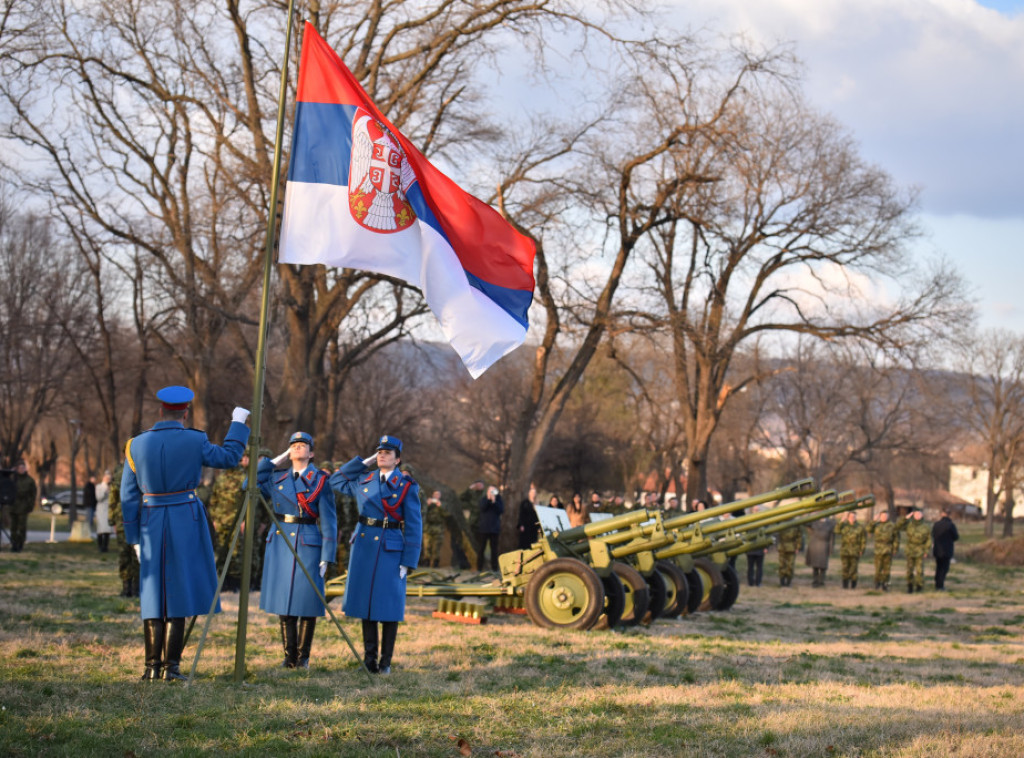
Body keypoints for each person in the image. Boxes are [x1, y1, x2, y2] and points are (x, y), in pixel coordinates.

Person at [120, 385, 250, 681]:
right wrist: (238, 423)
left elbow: (128, 496)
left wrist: (133, 539)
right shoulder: (195, 439)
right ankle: (171, 668)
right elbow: (230, 458)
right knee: (177, 591)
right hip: (185, 518)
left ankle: (151, 668)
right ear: (185, 413)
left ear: (160, 411)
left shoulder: (135, 445)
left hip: (151, 520)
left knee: (154, 593)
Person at [330, 435, 422, 674]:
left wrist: (408, 560)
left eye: (387, 453)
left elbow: (414, 525)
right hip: (365, 546)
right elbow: (335, 480)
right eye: (379, 452)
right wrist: (365, 461)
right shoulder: (365, 479)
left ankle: (386, 662)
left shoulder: (406, 487)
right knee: (367, 605)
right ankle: (369, 660)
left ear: (398, 459)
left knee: (389, 607)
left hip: (391, 546)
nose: (382, 455)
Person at [256, 432, 338, 670]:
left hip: (308, 541)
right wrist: (273, 461)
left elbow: (330, 521)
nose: (297, 448)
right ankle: (288, 656)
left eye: (303, 445)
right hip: (281, 540)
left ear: (311, 453)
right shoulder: (277, 477)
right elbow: (247, 484)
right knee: (284, 601)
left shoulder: (321, 480)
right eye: (293, 445)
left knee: (307, 600)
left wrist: (327, 555)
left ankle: (303, 657)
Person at [208, 452, 251, 592]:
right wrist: (213, 519)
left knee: (236, 552)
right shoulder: (221, 478)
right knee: (221, 550)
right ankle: (222, 582)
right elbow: (214, 499)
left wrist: (245, 520)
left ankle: (234, 584)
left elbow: (248, 502)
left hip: (236, 520)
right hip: (221, 520)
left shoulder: (244, 478)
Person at [108, 462, 139, 597]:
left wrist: (111, 519)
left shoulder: (119, 471)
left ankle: (127, 588)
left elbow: (112, 498)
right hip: (139, 516)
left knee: (124, 554)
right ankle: (135, 588)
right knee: (137, 555)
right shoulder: (143, 468)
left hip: (122, 518)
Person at [9, 460, 37, 553]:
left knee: (22, 527)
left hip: (23, 507)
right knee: (13, 527)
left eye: (23, 468)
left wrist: (30, 506)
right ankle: (14, 544)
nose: (21, 470)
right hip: (13, 507)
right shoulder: (13, 478)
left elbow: (33, 495)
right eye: (19, 468)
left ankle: (20, 544)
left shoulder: (29, 481)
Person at [867, 510, 899, 591]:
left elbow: (896, 538)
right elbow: (868, 529)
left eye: (885, 516)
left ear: (888, 516)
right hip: (878, 550)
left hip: (888, 549)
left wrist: (895, 549)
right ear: (880, 516)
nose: (884, 517)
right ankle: (877, 584)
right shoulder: (876, 525)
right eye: (882, 516)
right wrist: (873, 521)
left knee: (887, 570)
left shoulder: (892, 525)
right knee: (878, 569)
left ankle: (886, 585)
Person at [835, 510, 867, 589]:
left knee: (854, 568)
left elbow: (863, 539)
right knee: (845, 568)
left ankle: (853, 585)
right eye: (851, 517)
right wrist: (842, 520)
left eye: (854, 517)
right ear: (848, 517)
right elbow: (836, 530)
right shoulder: (844, 526)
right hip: (845, 551)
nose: (852, 518)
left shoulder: (860, 527)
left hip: (855, 551)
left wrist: (862, 550)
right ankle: (845, 585)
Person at [902, 508, 931, 593]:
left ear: (922, 515)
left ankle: (919, 586)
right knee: (909, 570)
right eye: (916, 514)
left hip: (920, 550)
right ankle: (910, 586)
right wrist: (905, 518)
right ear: (913, 515)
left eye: (919, 514)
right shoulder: (909, 525)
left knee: (919, 570)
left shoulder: (926, 527)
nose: (918, 516)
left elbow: (929, 540)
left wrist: (926, 551)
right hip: (910, 550)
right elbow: (899, 526)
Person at [476, 485, 504, 571]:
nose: (492, 493)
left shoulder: (499, 499)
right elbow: (482, 508)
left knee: (494, 550)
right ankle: (479, 567)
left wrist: (494, 501)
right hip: (484, 528)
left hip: (494, 529)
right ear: (487, 491)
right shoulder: (484, 499)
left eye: (493, 491)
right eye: (490, 491)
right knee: (481, 548)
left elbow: (501, 510)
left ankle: (494, 568)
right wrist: (488, 499)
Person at [932, 509, 959, 591]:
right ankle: (940, 585)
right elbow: (956, 537)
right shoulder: (950, 525)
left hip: (937, 549)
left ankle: (937, 583)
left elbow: (933, 535)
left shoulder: (936, 524)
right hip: (947, 549)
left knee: (938, 567)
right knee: (944, 568)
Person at [805, 516, 836, 587]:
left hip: (824, 546)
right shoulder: (814, 522)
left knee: (823, 566)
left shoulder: (830, 523)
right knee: (815, 566)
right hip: (814, 546)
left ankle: (821, 581)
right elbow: (806, 523)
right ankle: (815, 581)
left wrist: (831, 549)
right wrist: (811, 514)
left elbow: (832, 537)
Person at [422, 490, 446, 568]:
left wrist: (440, 506)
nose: (436, 496)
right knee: (427, 546)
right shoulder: (428, 503)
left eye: (438, 494)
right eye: (435, 494)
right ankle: (426, 562)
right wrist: (427, 505)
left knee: (436, 547)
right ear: (432, 495)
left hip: (438, 528)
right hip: (428, 528)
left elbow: (447, 514)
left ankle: (435, 563)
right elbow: (422, 512)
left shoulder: (443, 504)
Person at [94, 470, 113, 553]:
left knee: (107, 530)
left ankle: (105, 546)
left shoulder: (111, 487)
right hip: (101, 510)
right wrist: (105, 490)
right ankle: (100, 546)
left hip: (108, 510)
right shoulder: (99, 487)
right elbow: (99, 497)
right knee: (101, 529)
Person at [517, 484, 540, 549]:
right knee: (524, 543)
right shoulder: (524, 503)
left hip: (534, 527)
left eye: (534, 493)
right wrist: (521, 525)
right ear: (529, 493)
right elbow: (521, 514)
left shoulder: (537, 504)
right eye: (532, 493)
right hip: (525, 526)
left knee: (533, 543)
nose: (533, 494)